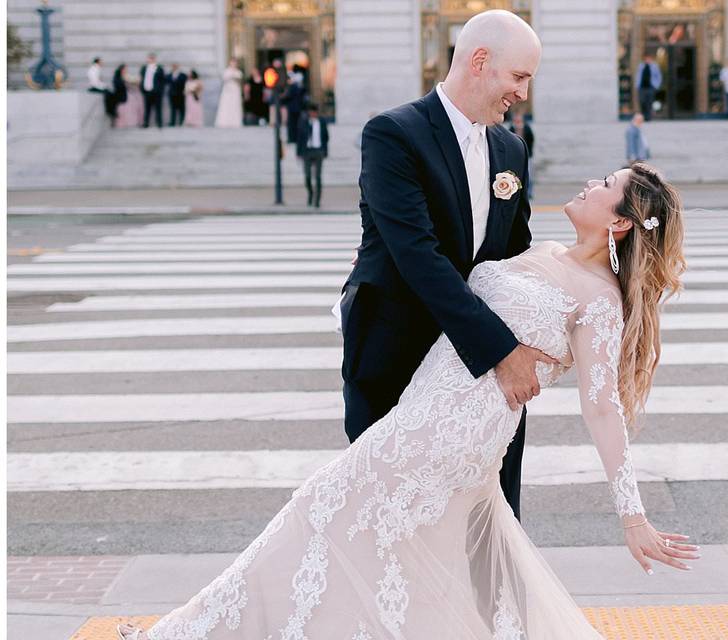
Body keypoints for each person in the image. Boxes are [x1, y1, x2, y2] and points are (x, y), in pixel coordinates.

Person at [117, 159, 697, 640]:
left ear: (619, 223)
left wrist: (633, 516)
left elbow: (602, 407)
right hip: (426, 412)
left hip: (455, 434)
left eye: (605, 186)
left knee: (322, 510)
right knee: (388, 554)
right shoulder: (543, 249)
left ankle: (180, 634)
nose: (589, 184)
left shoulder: (599, 301)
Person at [295, 102, 329, 207]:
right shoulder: (304, 122)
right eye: (311, 112)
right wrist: (298, 152)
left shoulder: (322, 122)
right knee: (307, 176)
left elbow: (326, 137)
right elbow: (299, 138)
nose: (313, 114)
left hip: (318, 150)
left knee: (318, 177)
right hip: (307, 151)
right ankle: (310, 193)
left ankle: (317, 201)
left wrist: (325, 151)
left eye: (314, 112)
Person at [508, 112, 535, 200]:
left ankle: (529, 192)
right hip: (515, 156)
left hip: (527, 155)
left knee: (529, 175)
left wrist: (529, 151)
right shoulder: (512, 128)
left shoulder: (526, 128)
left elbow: (531, 139)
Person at [214, 58, 244, 128]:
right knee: (226, 105)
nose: (233, 64)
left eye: (235, 63)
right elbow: (224, 79)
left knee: (235, 105)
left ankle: (235, 122)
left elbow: (240, 81)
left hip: (235, 91)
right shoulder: (226, 71)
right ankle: (224, 122)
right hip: (227, 91)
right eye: (232, 62)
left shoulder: (239, 72)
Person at [139, 53, 165, 128]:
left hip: (157, 92)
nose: (150, 60)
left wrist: (160, 90)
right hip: (147, 91)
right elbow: (142, 79)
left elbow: (162, 81)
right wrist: (142, 88)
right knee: (147, 108)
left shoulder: (159, 68)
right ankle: (146, 123)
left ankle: (159, 123)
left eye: (152, 58)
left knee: (158, 108)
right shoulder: (144, 68)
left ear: (154, 59)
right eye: (149, 58)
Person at [635, 53, 662, 121]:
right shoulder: (641, 66)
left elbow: (659, 76)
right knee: (642, 101)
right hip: (641, 87)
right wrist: (637, 85)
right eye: (646, 59)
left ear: (651, 59)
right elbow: (638, 75)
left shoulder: (655, 66)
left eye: (648, 58)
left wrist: (656, 85)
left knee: (649, 102)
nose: (647, 60)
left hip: (650, 87)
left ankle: (648, 117)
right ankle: (643, 116)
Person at [282, 69, 306, 143]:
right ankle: (295, 138)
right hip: (297, 108)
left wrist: (283, 98)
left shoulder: (293, 87)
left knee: (292, 125)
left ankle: (292, 138)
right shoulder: (300, 87)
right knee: (296, 124)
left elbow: (288, 97)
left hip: (292, 108)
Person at [105, 63, 128, 128]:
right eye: (125, 69)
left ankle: (114, 118)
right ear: (122, 69)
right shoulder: (118, 75)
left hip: (120, 94)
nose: (126, 70)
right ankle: (114, 118)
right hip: (119, 94)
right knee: (114, 105)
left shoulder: (121, 75)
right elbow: (117, 83)